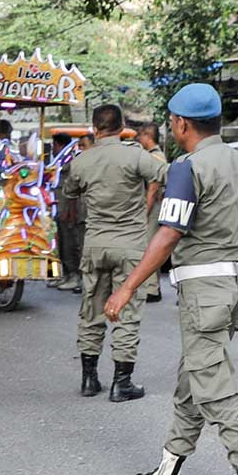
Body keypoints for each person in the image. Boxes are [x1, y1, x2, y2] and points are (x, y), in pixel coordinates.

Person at [104, 83, 238, 475]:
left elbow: (168, 233)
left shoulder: (187, 167)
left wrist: (127, 288)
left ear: (182, 124)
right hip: (232, 288)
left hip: (202, 291)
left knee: (216, 391)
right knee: (193, 383)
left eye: (172, 122)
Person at [62, 105, 164, 402]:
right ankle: (122, 383)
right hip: (130, 246)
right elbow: (164, 174)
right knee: (127, 314)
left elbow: (70, 190)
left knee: (91, 311)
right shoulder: (135, 155)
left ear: (94, 128)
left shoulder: (83, 160)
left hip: (95, 245)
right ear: (122, 127)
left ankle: (89, 380)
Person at [136, 123, 168, 303]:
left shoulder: (154, 156)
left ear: (147, 136)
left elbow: (153, 188)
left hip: (153, 207)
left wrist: (145, 213)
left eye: (141, 136)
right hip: (153, 205)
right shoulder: (153, 155)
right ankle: (150, 286)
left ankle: (152, 288)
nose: (139, 139)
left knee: (149, 247)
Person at [52, 133, 84, 292]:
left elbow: (73, 189)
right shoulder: (56, 161)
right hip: (58, 206)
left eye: (54, 145)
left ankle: (75, 275)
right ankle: (66, 273)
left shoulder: (71, 161)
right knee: (62, 242)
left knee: (72, 242)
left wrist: (70, 210)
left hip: (68, 208)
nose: (52, 149)